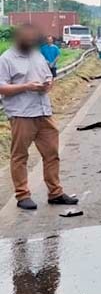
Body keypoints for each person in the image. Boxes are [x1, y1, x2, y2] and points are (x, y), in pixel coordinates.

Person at [0, 25, 78, 210]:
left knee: (52, 154)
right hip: (22, 114)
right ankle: (22, 195)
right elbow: (1, 87)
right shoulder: (6, 59)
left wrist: (47, 84)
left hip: (44, 112)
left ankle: (55, 192)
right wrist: (26, 86)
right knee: (20, 156)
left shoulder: (37, 55)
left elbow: (48, 77)